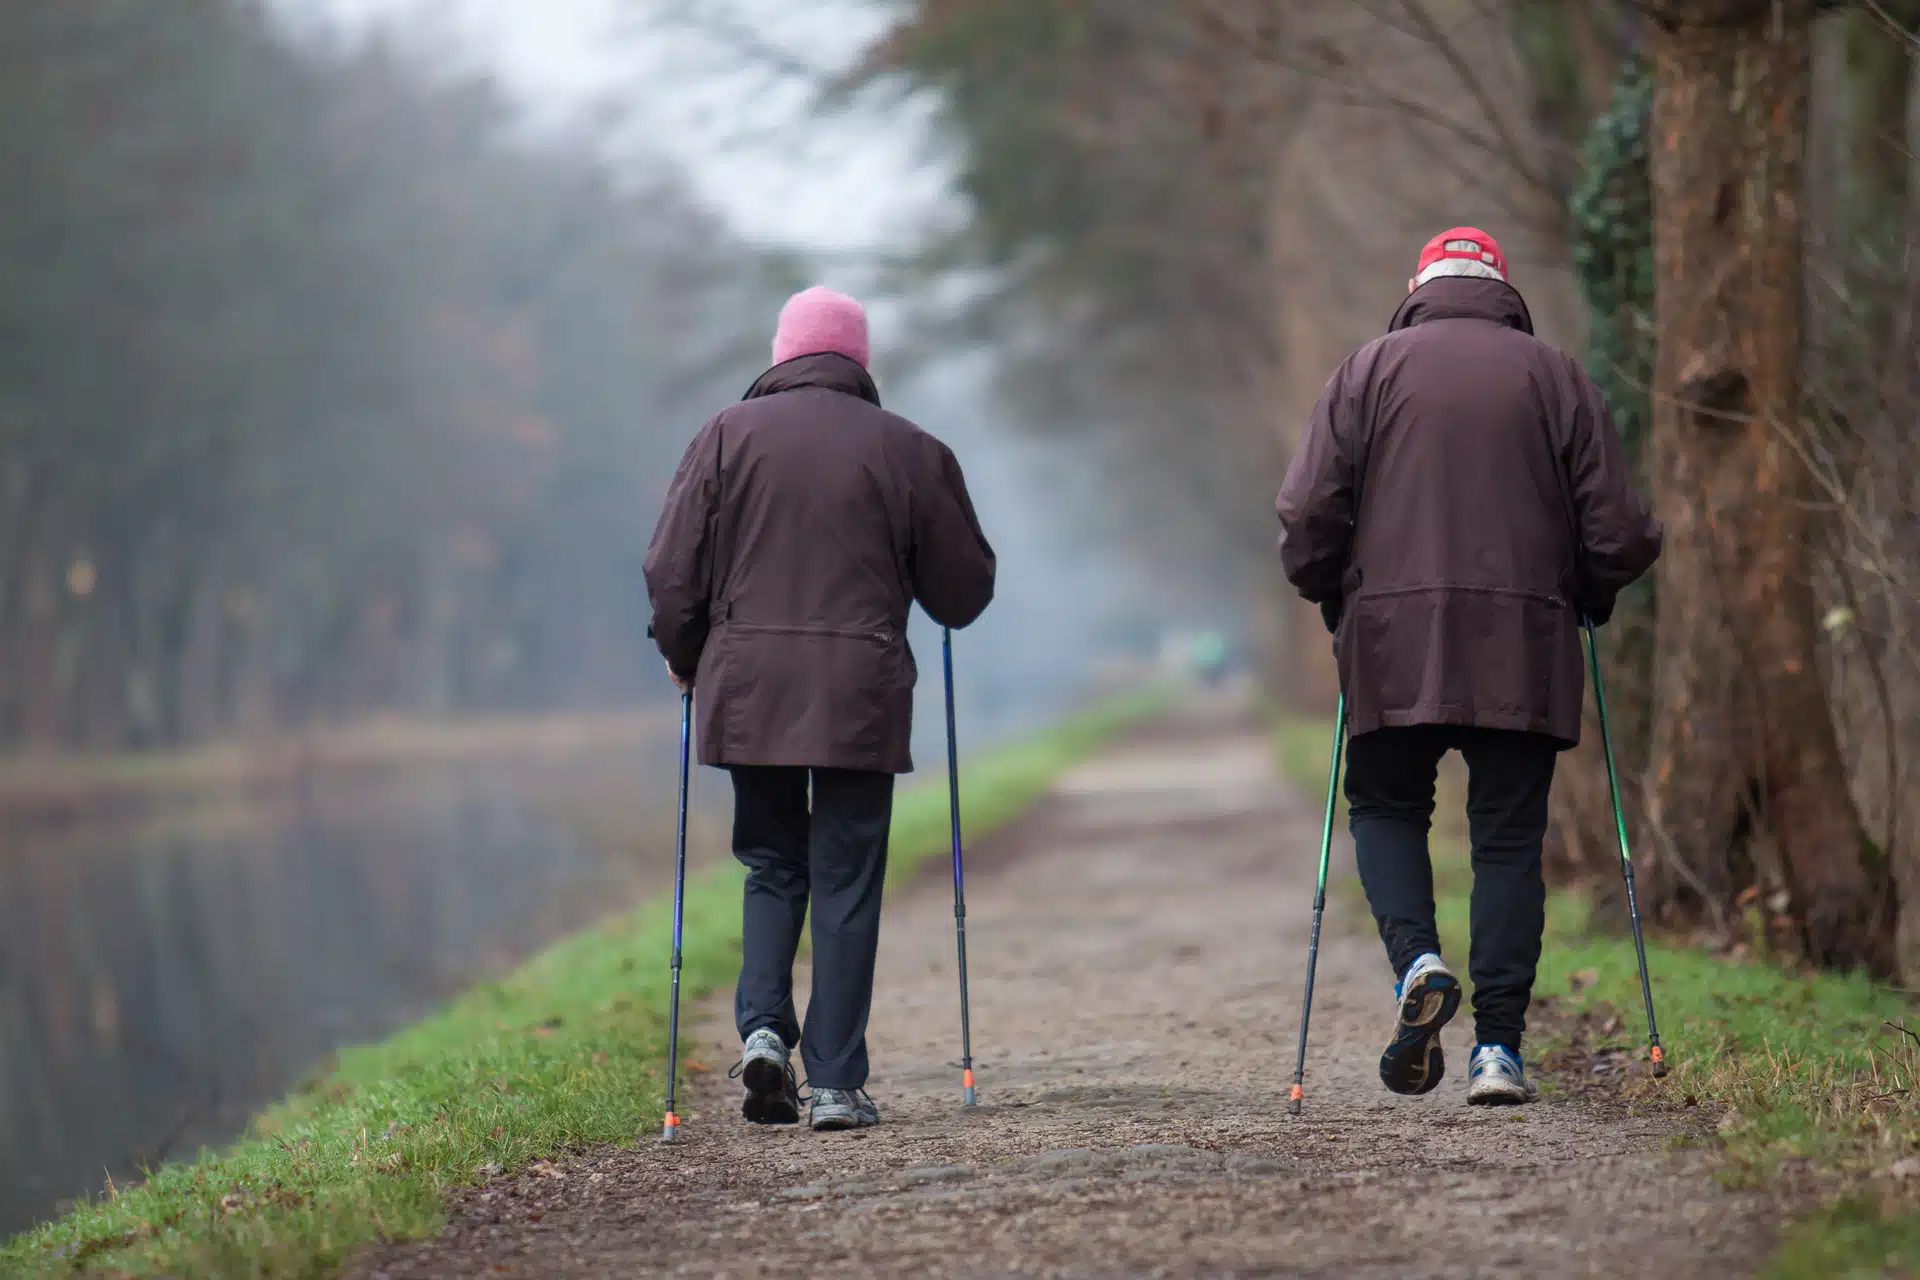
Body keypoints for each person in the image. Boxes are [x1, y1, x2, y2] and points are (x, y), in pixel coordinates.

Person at [1275, 228, 1661, 1105]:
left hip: (1390, 644)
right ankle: (1498, 1053)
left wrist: (1333, 592)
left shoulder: (1365, 372)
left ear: (1417, 286)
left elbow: (1305, 516)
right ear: (1503, 289)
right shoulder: (1555, 376)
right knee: (1508, 843)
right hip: (1523, 645)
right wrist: (1587, 593)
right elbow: (1622, 531)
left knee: (1384, 803)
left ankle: (1417, 962)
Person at [644, 286, 996, 1131]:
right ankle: (835, 1083)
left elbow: (669, 568)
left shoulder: (725, 435)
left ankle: (764, 1030)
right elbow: (963, 590)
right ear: (857, 360)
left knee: (773, 864)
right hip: (859, 693)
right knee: (846, 877)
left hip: (751, 686)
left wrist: (684, 655)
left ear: (782, 354)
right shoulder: (909, 449)